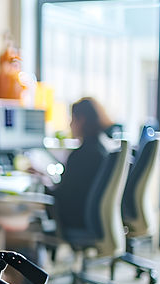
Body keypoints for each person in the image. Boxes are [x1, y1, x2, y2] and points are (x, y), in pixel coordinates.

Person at [49, 97, 115, 231]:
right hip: (93, 219)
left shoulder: (82, 154)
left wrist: (43, 184)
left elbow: (62, 196)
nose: (70, 125)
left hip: (76, 219)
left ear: (82, 120)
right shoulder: (103, 147)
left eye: (72, 119)